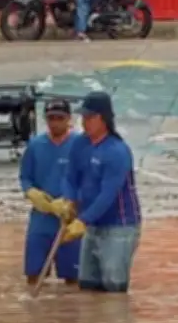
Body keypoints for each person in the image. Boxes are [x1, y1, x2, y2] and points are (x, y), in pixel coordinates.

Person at [57, 91, 142, 293]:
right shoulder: (80, 144)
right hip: (92, 224)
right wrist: (68, 201)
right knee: (87, 284)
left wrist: (82, 221)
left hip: (119, 227)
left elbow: (108, 195)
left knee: (114, 288)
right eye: (83, 117)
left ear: (103, 119)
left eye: (89, 117)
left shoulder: (117, 152)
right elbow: (70, 177)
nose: (84, 122)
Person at [19, 99, 82, 286]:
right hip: (42, 217)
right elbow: (25, 176)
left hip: (70, 216)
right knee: (34, 274)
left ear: (68, 119)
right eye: (51, 118)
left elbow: (89, 179)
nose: (55, 123)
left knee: (73, 277)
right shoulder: (35, 145)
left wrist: (74, 200)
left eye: (59, 118)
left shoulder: (80, 145)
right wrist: (31, 192)